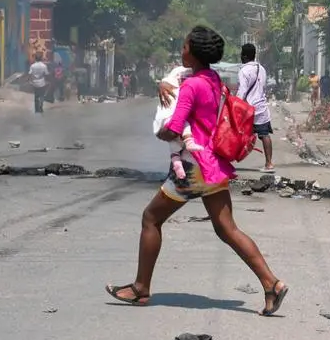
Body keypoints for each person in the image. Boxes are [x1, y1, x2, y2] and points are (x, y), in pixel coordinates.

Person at [106, 26, 288, 316]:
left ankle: (141, 289)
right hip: (213, 164)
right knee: (227, 229)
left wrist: (161, 130)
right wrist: (160, 85)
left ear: (194, 52)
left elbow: (175, 128)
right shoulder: (212, 79)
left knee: (150, 218)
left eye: (184, 47)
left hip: (192, 168)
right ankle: (271, 284)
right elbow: (176, 78)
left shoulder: (192, 86)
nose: (181, 51)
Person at [153, 66, 204, 179]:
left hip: (194, 126)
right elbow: (166, 83)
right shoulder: (179, 73)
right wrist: (162, 85)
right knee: (177, 143)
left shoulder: (205, 77)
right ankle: (175, 174)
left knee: (177, 147)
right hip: (181, 122)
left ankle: (176, 174)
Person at [237, 44, 274, 173]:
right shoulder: (262, 69)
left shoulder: (243, 71)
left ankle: (225, 161)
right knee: (265, 135)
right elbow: (263, 87)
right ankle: (269, 164)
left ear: (245, 56)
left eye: (242, 54)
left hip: (248, 108)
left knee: (234, 132)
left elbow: (242, 90)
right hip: (261, 107)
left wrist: (236, 104)